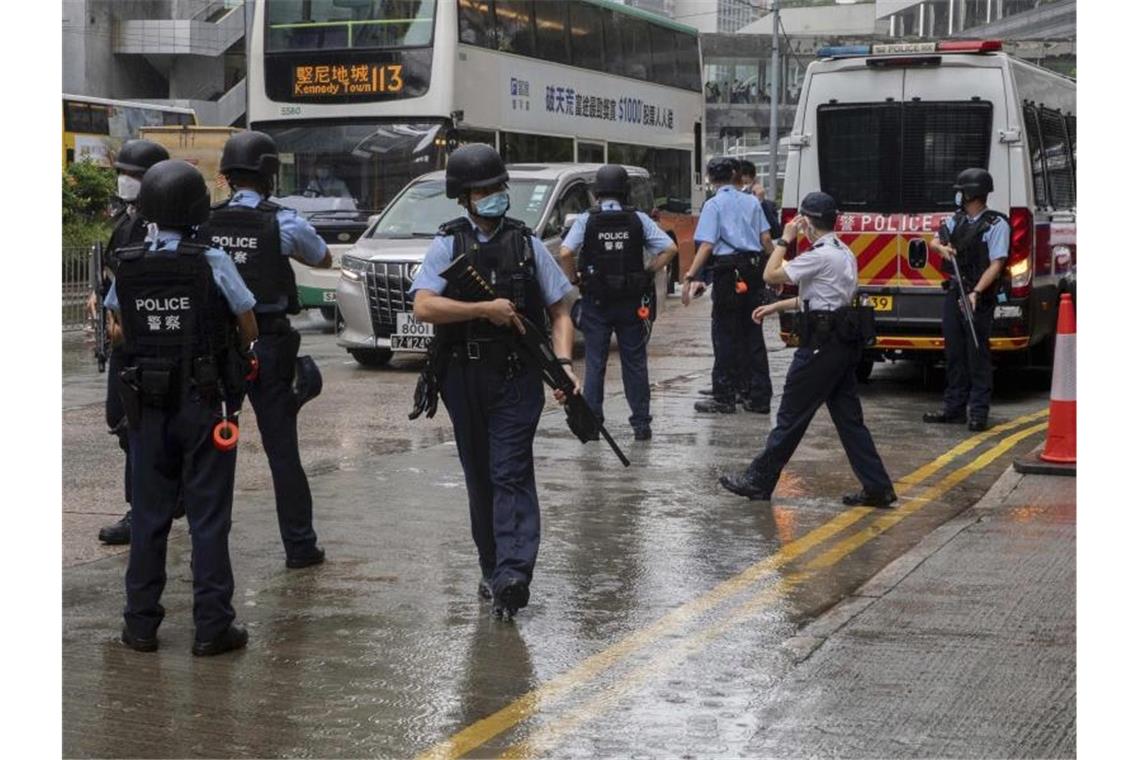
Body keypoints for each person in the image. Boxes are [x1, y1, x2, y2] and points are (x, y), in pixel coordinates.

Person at [410, 143, 576, 619]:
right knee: (480, 478)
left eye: (498, 188)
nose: (494, 196)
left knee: (510, 471)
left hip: (516, 377)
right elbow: (424, 305)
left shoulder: (526, 244)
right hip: (463, 377)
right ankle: (492, 569)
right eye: (483, 190)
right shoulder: (448, 243)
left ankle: (514, 574)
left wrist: (563, 364)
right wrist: (484, 309)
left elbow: (561, 309)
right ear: (464, 197)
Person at [105, 159, 258, 655]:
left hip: (148, 403)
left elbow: (117, 329)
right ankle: (213, 628)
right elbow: (248, 324)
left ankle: (140, 625)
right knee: (209, 518)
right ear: (196, 209)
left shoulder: (128, 260)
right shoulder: (211, 259)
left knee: (148, 516)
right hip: (206, 401)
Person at [197, 130, 333, 569]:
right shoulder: (284, 221)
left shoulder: (207, 221)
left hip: (221, 348)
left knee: (218, 447)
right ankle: (299, 545)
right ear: (270, 174)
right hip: (269, 344)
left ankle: (211, 549)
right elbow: (322, 258)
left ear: (228, 176)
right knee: (282, 450)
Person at [719, 192, 896, 507]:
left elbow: (770, 274)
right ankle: (878, 486)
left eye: (801, 221)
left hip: (820, 346)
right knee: (849, 420)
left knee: (791, 416)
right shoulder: (843, 253)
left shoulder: (819, 254)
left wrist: (785, 240)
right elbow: (817, 297)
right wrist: (775, 308)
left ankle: (758, 480)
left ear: (809, 223)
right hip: (840, 344)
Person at [558, 164, 677, 441]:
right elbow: (669, 249)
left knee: (595, 364)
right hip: (630, 303)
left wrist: (574, 277)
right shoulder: (638, 219)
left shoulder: (588, 219)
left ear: (597, 192)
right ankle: (641, 424)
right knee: (634, 363)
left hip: (596, 303)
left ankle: (593, 424)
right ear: (625, 191)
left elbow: (565, 252)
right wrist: (648, 272)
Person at [92, 139, 171, 546]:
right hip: (122, 340)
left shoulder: (166, 223)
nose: (126, 182)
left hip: (149, 340)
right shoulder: (127, 220)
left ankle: (142, 507)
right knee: (121, 421)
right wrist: (100, 297)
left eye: (135, 176)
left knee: (138, 424)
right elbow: (112, 272)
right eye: (124, 174)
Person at [682, 157, 774, 414]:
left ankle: (724, 395)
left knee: (725, 334)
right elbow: (766, 239)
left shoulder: (713, 205)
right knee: (752, 332)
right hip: (753, 270)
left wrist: (690, 275)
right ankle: (757, 396)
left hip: (727, 272)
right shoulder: (753, 202)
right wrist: (775, 268)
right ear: (734, 174)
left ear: (710, 179)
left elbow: (707, 245)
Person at [924, 168, 1009, 431]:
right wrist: (941, 247)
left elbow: (997, 264)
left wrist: (976, 292)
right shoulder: (957, 220)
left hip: (978, 296)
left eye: (961, 191)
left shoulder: (997, 225)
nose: (958, 196)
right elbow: (934, 240)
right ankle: (954, 409)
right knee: (955, 353)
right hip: (954, 291)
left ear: (971, 193)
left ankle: (978, 412)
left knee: (976, 353)